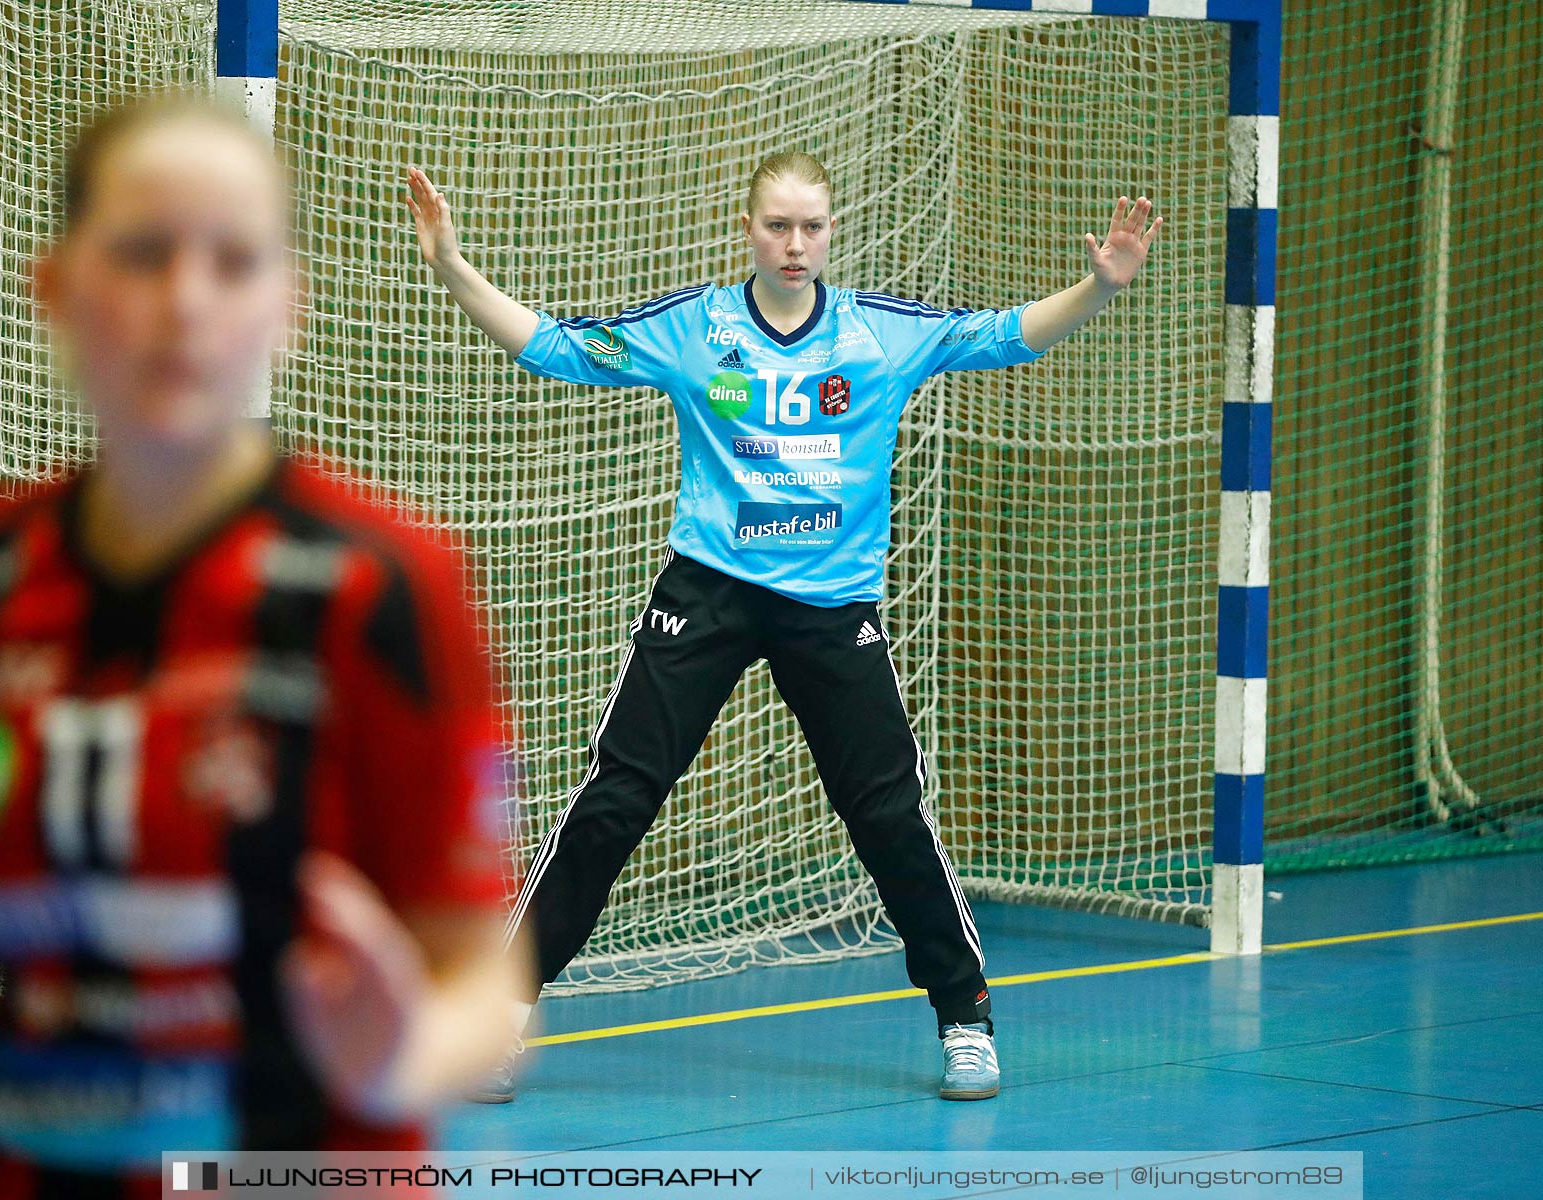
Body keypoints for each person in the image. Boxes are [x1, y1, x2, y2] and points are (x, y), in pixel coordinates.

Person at [0, 93, 527, 1196]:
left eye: (232, 261)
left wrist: (400, 1049)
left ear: (287, 308)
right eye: (140, 252)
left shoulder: (387, 585)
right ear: (56, 286)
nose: (184, 301)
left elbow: (473, 981)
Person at [406, 151, 1160, 1102]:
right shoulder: (693, 329)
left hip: (830, 609)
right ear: (747, 230)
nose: (794, 245)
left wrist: (1098, 286)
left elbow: (1006, 336)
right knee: (616, 797)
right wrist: (451, 266)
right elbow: (555, 346)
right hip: (709, 594)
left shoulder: (881, 336)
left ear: (831, 231)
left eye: (810, 227)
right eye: (777, 226)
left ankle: (965, 1019)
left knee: (888, 814)